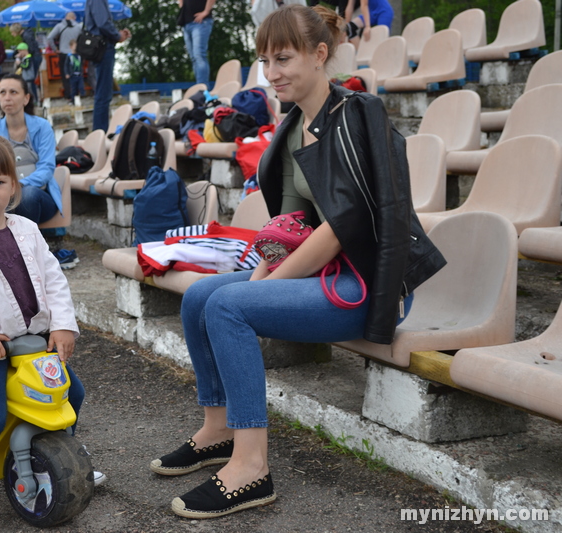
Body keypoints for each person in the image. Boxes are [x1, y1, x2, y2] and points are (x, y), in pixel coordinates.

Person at [149, 4, 446, 519]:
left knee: (228, 307)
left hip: (364, 284)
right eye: (266, 60)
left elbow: (339, 231)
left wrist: (258, 291)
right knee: (201, 295)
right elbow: (285, 232)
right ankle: (218, 430)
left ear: (319, 54)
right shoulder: (290, 131)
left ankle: (251, 468)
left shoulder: (359, 116)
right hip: (319, 274)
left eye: (283, 58)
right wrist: (260, 276)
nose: (273, 72)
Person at [0, 133, 103, 533]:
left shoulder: (26, 228)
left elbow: (54, 278)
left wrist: (62, 324)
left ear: (14, 184)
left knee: (71, 395)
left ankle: (64, 457)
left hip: (33, 342)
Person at [0, 74, 79, 269]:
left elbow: (47, 168)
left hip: (40, 198)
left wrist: (19, 186)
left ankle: (27, 256)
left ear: (26, 98)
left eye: (13, 92)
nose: (7, 97)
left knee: (27, 195)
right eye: (2, 92)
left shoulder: (42, 126)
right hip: (7, 197)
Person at [84, 0, 131, 132]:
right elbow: (103, 23)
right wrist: (117, 35)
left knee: (103, 92)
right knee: (103, 93)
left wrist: (117, 35)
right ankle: (100, 133)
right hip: (104, 48)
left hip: (101, 47)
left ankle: (99, 132)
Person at [177, 0, 216, 85]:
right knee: (194, 58)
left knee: (199, 55)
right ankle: (199, 88)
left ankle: (202, 90)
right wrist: (181, 6)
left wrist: (206, 11)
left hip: (201, 22)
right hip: (186, 23)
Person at [47, 11, 83, 100]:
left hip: (63, 54)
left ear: (66, 17)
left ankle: (68, 95)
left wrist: (55, 49)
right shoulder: (79, 27)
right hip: (76, 54)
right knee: (77, 74)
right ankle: (78, 94)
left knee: (65, 75)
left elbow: (49, 38)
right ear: (74, 18)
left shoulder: (60, 26)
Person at [10, 22, 43, 102]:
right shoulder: (26, 35)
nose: (12, 34)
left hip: (35, 57)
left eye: (12, 32)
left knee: (31, 80)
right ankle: (34, 98)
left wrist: (22, 57)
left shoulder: (26, 36)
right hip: (37, 56)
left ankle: (35, 99)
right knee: (31, 80)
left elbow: (30, 49)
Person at [66, 39, 84, 104]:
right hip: (72, 75)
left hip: (79, 74)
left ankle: (82, 99)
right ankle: (73, 101)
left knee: (81, 87)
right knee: (73, 89)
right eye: (74, 46)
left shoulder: (79, 55)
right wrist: (67, 73)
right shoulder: (69, 56)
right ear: (71, 47)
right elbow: (66, 65)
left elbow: (81, 63)